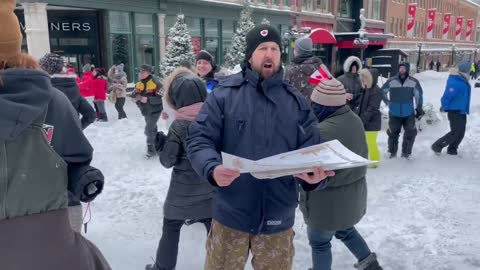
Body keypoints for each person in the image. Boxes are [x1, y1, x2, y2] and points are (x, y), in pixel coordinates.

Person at [187, 24, 333, 270]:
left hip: (277, 222)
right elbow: (199, 139)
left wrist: (314, 178)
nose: (269, 54)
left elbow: (313, 152)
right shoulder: (224, 95)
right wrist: (211, 168)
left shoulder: (296, 103)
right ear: (250, 55)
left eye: (275, 49)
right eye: (262, 48)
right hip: (230, 217)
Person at [0, 1, 110, 269]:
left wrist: (82, 175)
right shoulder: (55, 97)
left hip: (44, 242)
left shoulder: (52, 101)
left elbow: (75, 158)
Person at [299, 64, 382, 270]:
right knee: (346, 230)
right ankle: (369, 264)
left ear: (323, 105)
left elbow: (308, 169)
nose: (312, 106)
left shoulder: (322, 131)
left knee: (320, 243)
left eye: (314, 103)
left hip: (326, 205)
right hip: (351, 199)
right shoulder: (354, 120)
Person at [145, 67, 214, 270]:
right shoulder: (213, 120)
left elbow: (168, 161)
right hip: (210, 189)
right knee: (214, 231)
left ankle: (162, 268)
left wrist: (160, 144)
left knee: (171, 227)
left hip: (181, 194)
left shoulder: (180, 125)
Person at [39, 53, 96, 129]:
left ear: (45, 70)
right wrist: (77, 129)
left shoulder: (43, 90)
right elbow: (90, 115)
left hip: (48, 138)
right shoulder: (73, 87)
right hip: (72, 137)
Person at [381, 63, 424, 159]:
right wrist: (388, 103)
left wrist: (419, 108)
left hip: (408, 113)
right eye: (400, 68)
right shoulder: (391, 81)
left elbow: (419, 96)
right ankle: (392, 152)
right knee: (392, 133)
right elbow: (382, 92)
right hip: (394, 112)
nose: (402, 70)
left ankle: (406, 153)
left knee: (411, 133)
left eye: (404, 68)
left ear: (407, 69)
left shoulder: (413, 81)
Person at [432, 61, 471, 156]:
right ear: (465, 70)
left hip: (461, 110)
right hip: (454, 111)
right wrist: (444, 107)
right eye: (469, 69)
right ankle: (437, 146)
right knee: (455, 132)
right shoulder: (456, 81)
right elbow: (447, 96)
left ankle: (452, 149)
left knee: (461, 133)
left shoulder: (462, 79)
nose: (470, 71)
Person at [130, 64, 163, 157]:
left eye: (143, 71)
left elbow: (163, 97)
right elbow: (134, 93)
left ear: (148, 72)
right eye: (140, 72)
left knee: (148, 129)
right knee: (152, 128)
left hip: (156, 110)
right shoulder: (139, 83)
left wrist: (148, 99)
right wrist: (134, 98)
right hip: (145, 110)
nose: (141, 73)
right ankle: (159, 144)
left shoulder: (156, 82)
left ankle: (151, 150)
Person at [284, 36, 323, 100]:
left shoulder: (289, 70)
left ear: (297, 51)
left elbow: (283, 94)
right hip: (317, 108)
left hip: (296, 108)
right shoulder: (321, 69)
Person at [358, 68, 383, 167]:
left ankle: (375, 162)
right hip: (365, 120)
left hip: (372, 121)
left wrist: (362, 119)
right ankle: (367, 160)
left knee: (371, 143)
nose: (363, 79)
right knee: (365, 143)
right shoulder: (366, 88)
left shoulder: (376, 90)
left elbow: (372, 108)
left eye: (365, 77)